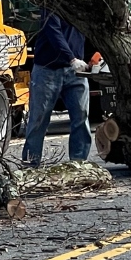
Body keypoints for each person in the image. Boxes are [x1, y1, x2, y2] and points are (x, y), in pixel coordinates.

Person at [21, 9, 92, 167]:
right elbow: (54, 33)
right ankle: (30, 166)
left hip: (76, 70)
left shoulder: (83, 6)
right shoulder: (52, 5)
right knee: (38, 119)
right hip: (47, 69)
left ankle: (79, 163)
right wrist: (71, 58)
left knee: (81, 116)